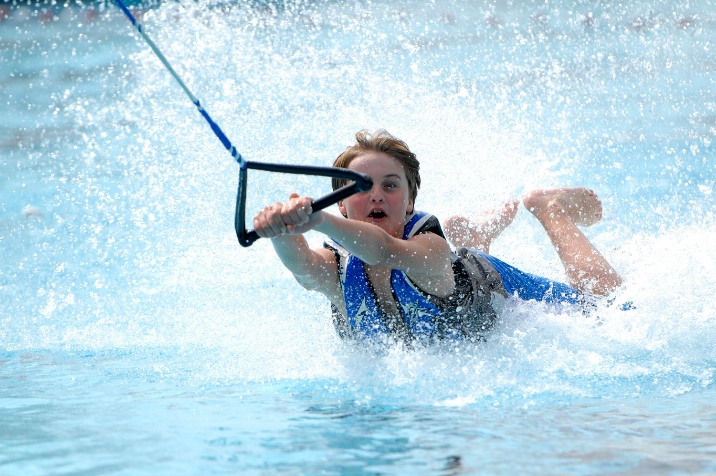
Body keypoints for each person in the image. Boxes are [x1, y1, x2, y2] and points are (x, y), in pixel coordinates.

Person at [252, 130, 622, 345]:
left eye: (390, 185)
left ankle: (549, 208)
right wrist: (282, 229)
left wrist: (318, 220)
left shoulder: (428, 248)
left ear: (410, 202)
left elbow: (382, 250)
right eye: (361, 187)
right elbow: (302, 268)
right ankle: (472, 233)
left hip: (491, 285)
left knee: (606, 301)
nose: (377, 195)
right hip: (457, 285)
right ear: (343, 205)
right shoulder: (339, 269)